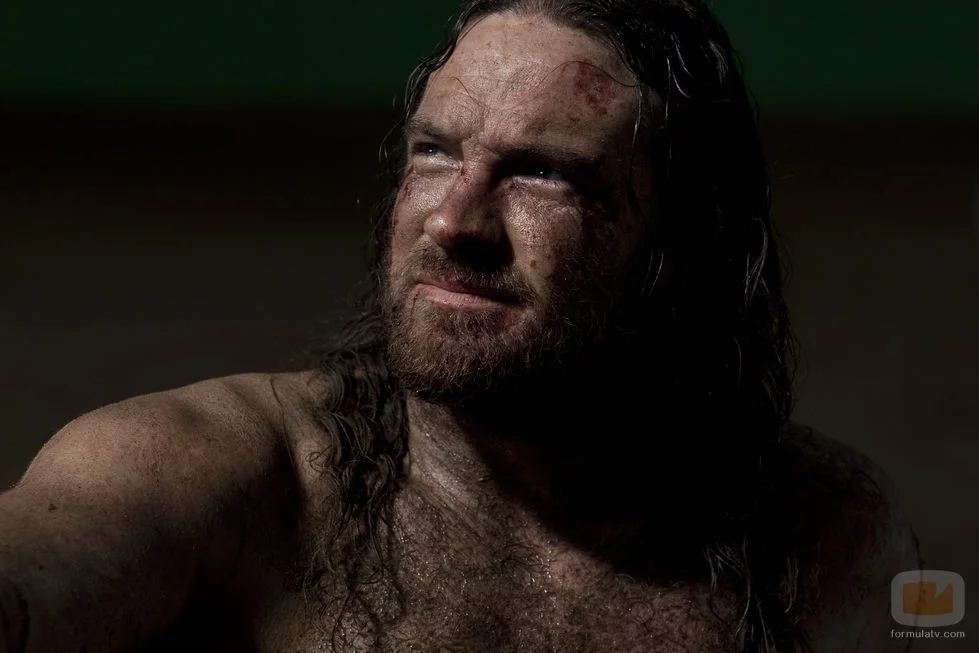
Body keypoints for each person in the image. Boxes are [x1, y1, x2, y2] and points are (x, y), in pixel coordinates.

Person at [0, 1, 920, 651]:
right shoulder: (224, 473)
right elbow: (46, 561)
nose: (452, 222)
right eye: (434, 152)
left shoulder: (824, 534)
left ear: (684, 244)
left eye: (543, 173)